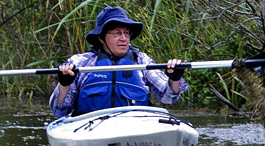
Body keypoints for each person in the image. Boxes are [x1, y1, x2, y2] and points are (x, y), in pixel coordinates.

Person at [49, 6, 188, 117]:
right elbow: (59, 110)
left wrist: (174, 79)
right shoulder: (81, 63)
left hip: (135, 126)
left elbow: (168, 97)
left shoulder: (140, 60)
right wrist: (64, 84)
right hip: (90, 127)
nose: (124, 39)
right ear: (101, 38)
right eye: (116, 33)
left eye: (126, 33)